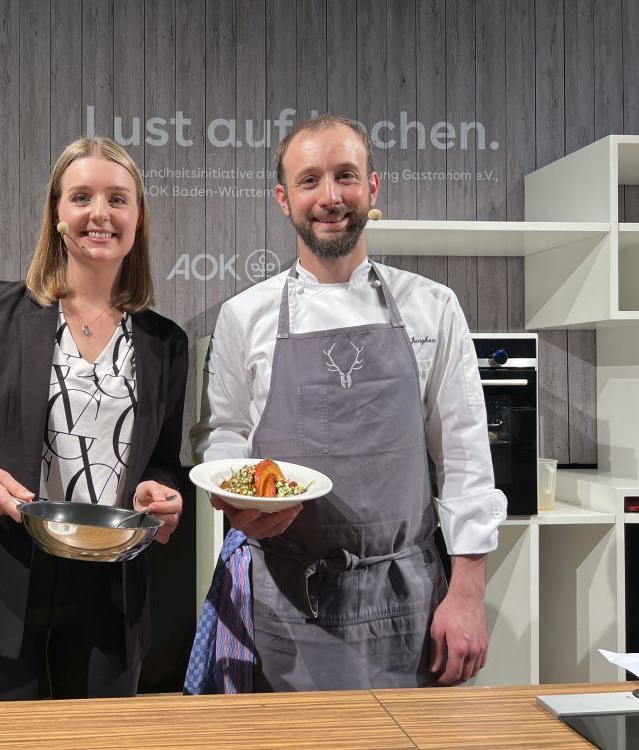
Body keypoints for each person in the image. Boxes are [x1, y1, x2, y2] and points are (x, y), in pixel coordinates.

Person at [188, 114, 507, 692]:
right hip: (286, 596)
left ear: (373, 187)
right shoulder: (244, 315)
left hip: (408, 597)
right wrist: (237, 501)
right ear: (284, 199)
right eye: (309, 181)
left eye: (346, 176)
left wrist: (467, 595)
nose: (330, 197)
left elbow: (465, 456)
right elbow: (225, 435)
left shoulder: (433, 306)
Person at [0, 136, 188, 702]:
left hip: (109, 598)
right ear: (56, 214)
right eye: (81, 197)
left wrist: (163, 494)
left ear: (138, 218)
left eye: (117, 199)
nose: (100, 213)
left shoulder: (165, 343)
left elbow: (163, 462)